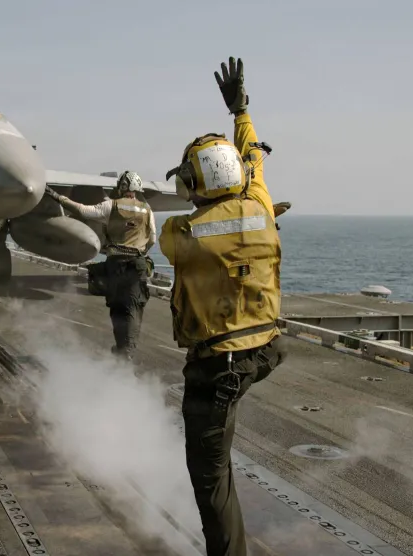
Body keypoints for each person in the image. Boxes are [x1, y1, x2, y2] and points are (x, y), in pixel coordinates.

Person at [160, 56, 288, 556]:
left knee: (209, 477)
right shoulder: (259, 203)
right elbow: (254, 154)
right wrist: (240, 109)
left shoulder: (181, 232)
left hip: (220, 369)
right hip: (266, 349)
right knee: (220, 459)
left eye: (188, 181)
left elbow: (189, 232)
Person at [45, 171, 156, 360]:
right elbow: (152, 238)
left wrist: (58, 197)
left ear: (122, 187)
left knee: (117, 306)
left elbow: (82, 210)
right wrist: (141, 252)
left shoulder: (111, 205)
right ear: (137, 189)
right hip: (137, 264)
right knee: (135, 307)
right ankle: (127, 351)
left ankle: (123, 349)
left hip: (115, 263)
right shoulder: (147, 210)